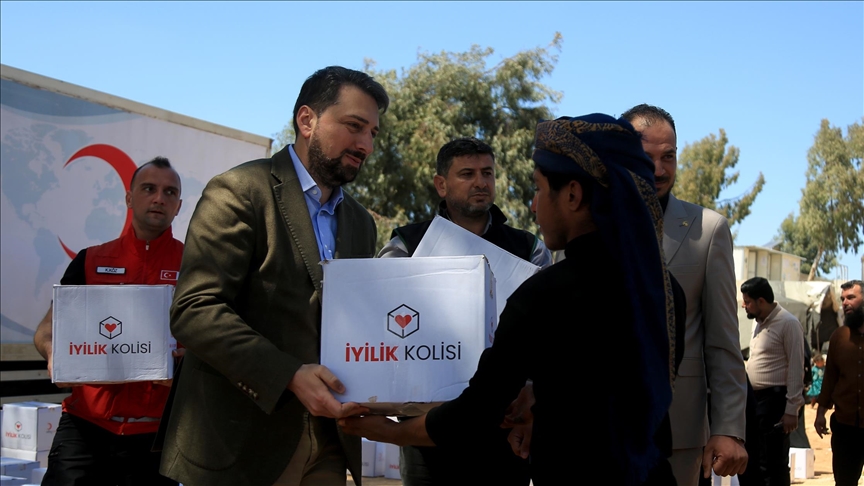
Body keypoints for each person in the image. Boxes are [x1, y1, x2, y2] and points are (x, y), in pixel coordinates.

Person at [341, 113, 685, 485]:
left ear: (572, 195)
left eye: (539, 189)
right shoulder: (664, 290)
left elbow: (476, 410)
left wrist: (387, 431)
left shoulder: (545, 295)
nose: (534, 206)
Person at [156, 66, 388, 486]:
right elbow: (194, 310)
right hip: (240, 445)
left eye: (373, 133)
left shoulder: (360, 223)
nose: (366, 145)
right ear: (307, 120)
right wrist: (289, 375)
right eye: (354, 126)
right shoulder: (240, 190)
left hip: (332, 442)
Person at [378, 136, 550, 486]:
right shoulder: (406, 246)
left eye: (487, 173)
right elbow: (379, 321)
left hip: (504, 429)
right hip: (425, 432)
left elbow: (549, 335)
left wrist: (530, 395)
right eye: (467, 174)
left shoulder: (529, 249)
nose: (480, 182)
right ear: (441, 185)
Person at [33, 156, 184, 486]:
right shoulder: (90, 259)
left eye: (170, 192)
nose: (159, 198)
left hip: (159, 436)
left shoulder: (195, 267)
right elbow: (46, 329)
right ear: (129, 198)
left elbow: (215, 344)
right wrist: (54, 353)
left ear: (179, 206)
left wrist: (187, 367)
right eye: (149, 189)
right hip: (86, 425)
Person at [622, 104, 748, 484]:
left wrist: (728, 427)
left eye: (669, 157)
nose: (659, 170)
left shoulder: (707, 231)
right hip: (600, 429)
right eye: (647, 157)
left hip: (680, 434)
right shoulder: (587, 223)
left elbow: (723, 342)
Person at [741, 277, 805, 486]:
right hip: (755, 401)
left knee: (773, 462)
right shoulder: (757, 323)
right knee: (757, 459)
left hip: (775, 402)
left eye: (747, 302)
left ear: (761, 301)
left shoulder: (788, 323)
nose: (744, 306)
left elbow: (796, 367)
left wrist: (791, 409)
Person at [814, 279, 864, 486]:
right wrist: (820, 414)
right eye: (843, 299)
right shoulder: (839, 337)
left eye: (851, 297)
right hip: (845, 427)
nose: (845, 303)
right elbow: (830, 379)